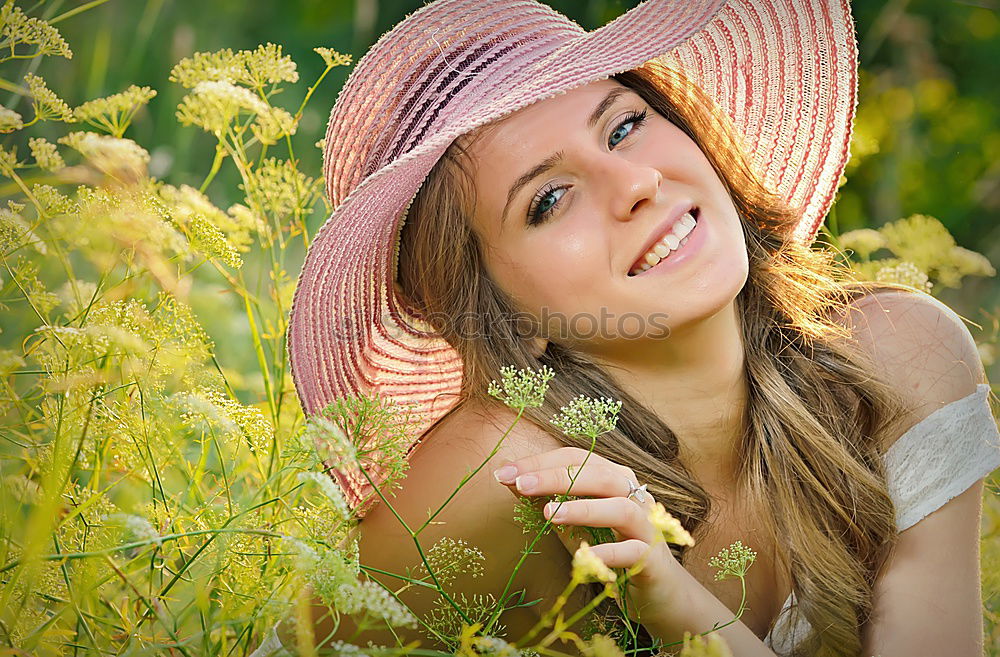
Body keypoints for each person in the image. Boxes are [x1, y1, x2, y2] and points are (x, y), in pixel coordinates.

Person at [279, 0, 1000, 655]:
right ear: (501, 314)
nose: (636, 184)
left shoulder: (901, 360)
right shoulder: (497, 491)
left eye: (624, 126)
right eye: (549, 199)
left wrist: (681, 607)